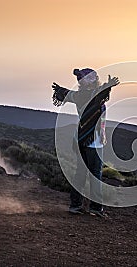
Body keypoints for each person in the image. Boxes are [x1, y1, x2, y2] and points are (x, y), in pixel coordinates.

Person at [52, 68, 120, 217]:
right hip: (93, 141)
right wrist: (107, 87)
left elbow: (65, 93)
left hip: (80, 138)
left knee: (80, 173)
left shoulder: (78, 95)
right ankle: (96, 208)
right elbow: (97, 96)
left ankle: (75, 206)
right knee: (95, 174)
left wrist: (59, 90)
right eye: (93, 77)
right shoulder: (90, 95)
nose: (95, 78)